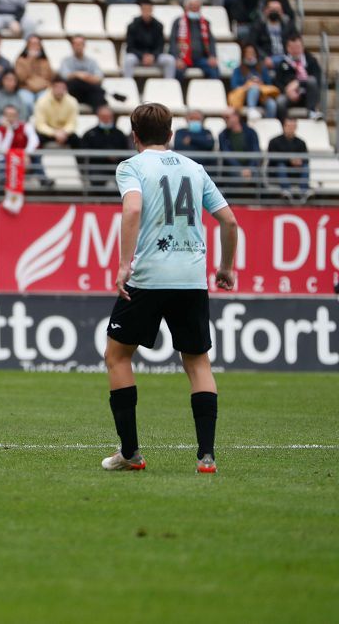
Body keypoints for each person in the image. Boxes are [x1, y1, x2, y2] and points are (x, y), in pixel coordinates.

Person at [102, 101, 238, 475]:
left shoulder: (132, 166)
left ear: (135, 136)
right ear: (171, 134)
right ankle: (206, 457)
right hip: (192, 277)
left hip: (148, 276)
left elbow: (132, 210)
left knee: (117, 355)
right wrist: (225, 267)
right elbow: (229, 220)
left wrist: (123, 264)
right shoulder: (194, 169)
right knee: (197, 362)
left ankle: (130, 453)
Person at [169, 0, 219, 80]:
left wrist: (212, 56)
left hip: (201, 58)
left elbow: (211, 41)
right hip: (182, 57)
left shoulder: (205, 22)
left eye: (197, 7)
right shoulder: (178, 22)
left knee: (213, 69)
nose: (195, 9)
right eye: (192, 7)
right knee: (177, 70)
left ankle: (211, 92)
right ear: (186, 8)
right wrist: (176, 58)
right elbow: (173, 41)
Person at [80, 104, 130, 188]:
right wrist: (104, 156)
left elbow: (126, 152)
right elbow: (84, 154)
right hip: (97, 167)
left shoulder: (119, 134)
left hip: (117, 167)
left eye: (108, 117)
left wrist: (117, 157)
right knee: (97, 180)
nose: (106, 119)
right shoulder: (89, 134)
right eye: (103, 116)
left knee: (125, 180)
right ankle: (96, 200)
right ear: (98, 117)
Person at [124, 0, 176, 79]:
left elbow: (160, 46)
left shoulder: (158, 26)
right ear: (141, 10)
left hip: (154, 57)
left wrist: (153, 56)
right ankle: (127, 84)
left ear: (152, 10)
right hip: (137, 57)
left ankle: (168, 84)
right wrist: (142, 56)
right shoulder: (132, 26)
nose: (146, 12)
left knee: (170, 60)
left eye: (148, 10)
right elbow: (130, 47)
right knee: (128, 59)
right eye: (144, 9)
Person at [275, 35, 323, 120]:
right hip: (289, 95)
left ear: (302, 47)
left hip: (307, 95)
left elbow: (317, 80)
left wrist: (298, 83)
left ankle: (312, 113)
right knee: (280, 101)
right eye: (292, 48)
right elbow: (277, 82)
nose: (295, 51)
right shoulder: (282, 63)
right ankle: (285, 126)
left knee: (311, 80)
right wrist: (287, 91)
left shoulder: (311, 61)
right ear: (288, 48)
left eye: (298, 47)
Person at [0, 104, 39, 182]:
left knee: (36, 156)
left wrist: (26, 154)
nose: (11, 118)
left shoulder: (26, 126)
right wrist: (9, 131)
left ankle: (44, 180)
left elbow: (34, 141)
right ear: (3, 116)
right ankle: (2, 182)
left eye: (13, 115)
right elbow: (2, 150)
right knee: (1, 158)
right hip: (7, 158)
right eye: (8, 115)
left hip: (23, 157)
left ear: (17, 116)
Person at [267, 117, 311, 203]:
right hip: (277, 173)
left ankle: (304, 191)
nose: (291, 129)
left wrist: (300, 161)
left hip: (296, 172)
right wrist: (289, 160)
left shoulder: (301, 143)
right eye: (289, 126)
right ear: (284, 126)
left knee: (305, 166)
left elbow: (306, 159)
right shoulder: (274, 141)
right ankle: (286, 191)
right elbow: (272, 159)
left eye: (293, 126)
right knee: (281, 166)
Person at [228, 42, 278, 119]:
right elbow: (234, 86)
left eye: (252, 53)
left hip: (261, 97)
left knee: (271, 104)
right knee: (254, 87)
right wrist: (247, 85)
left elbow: (269, 84)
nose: (250, 55)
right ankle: (251, 109)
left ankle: (270, 123)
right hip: (244, 98)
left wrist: (260, 84)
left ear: (256, 55)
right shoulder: (238, 70)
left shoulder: (262, 69)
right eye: (248, 53)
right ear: (243, 55)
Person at [59, 36, 106, 110]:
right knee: (74, 83)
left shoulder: (92, 61)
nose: (78, 47)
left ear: (84, 46)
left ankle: (102, 120)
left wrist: (83, 77)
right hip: (73, 93)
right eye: (75, 44)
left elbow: (99, 78)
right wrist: (79, 75)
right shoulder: (66, 61)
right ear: (72, 46)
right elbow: (65, 76)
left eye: (80, 44)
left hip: (89, 93)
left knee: (98, 95)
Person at [32, 78, 80, 148]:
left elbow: (72, 123)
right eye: (57, 87)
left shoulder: (72, 102)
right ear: (51, 88)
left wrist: (64, 132)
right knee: (36, 140)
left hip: (65, 133)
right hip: (47, 133)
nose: (60, 90)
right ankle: (36, 159)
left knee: (76, 140)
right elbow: (40, 124)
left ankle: (81, 159)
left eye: (62, 88)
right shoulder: (41, 101)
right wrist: (54, 133)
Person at [217, 109, 260, 187]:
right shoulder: (222, 135)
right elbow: (227, 156)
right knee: (234, 176)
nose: (225, 120)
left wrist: (249, 169)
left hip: (250, 168)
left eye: (227, 117)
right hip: (233, 169)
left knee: (257, 176)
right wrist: (240, 170)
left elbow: (256, 152)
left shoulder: (251, 132)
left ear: (236, 117)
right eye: (223, 118)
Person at [250, 0, 297, 68]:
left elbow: (295, 41)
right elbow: (252, 44)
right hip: (267, 58)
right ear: (265, 11)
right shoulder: (258, 26)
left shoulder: (289, 26)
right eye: (272, 9)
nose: (274, 12)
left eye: (277, 10)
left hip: (287, 58)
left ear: (282, 12)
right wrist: (264, 57)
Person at [15, 35, 54, 107]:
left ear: (40, 46)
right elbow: (21, 78)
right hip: (26, 89)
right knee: (27, 102)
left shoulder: (45, 61)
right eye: (32, 44)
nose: (34, 47)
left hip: (42, 89)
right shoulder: (20, 60)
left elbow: (49, 77)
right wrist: (30, 60)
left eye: (36, 44)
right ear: (27, 46)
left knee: (44, 102)